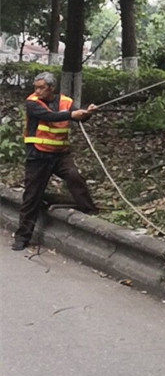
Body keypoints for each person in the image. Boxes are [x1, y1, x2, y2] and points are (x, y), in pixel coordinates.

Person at [12, 72, 99, 251]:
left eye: (41, 87)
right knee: (31, 196)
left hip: (60, 155)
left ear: (52, 88)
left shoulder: (66, 102)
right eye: (36, 87)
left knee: (75, 177)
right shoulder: (32, 102)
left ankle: (90, 212)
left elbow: (78, 115)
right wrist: (72, 114)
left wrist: (88, 112)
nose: (37, 91)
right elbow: (51, 116)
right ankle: (22, 237)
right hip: (38, 156)